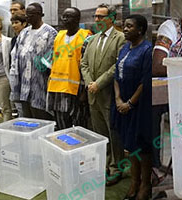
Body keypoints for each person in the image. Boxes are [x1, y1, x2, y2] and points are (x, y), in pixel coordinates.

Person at [79, 3, 126, 186]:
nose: (96, 20)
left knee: (113, 133)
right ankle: (104, 164)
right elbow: (83, 63)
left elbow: (117, 65)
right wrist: (90, 82)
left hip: (109, 94)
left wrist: (99, 83)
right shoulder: (93, 39)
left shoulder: (120, 38)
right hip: (93, 94)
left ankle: (117, 168)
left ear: (111, 19)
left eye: (101, 17)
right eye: (96, 17)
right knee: (100, 133)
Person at [112, 14, 152, 200]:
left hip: (139, 105)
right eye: (124, 26)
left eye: (129, 26)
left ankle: (145, 184)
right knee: (129, 146)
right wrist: (119, 99)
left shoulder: (146, 50)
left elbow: (145, 81)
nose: (125, 29)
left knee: (142, 147)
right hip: (122, 104)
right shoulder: (124, 48)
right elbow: (116, 75)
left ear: (141, 30)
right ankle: (134, 182)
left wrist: (130, 103)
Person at [10, 3, 56, 120]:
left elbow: (51, 59)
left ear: (40, 15)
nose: (28, 17)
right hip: (23, 86)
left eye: (31, 15)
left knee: (41, 120)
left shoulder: (50, 32)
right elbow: (16, 54)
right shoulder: (24, 33)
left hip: (40, 85)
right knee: (27, 120)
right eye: (27, 15)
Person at [47, 7, 91, 129]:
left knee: (78, 124)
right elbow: (52, 61)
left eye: (69, 17)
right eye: (63, 16)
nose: (65, 19)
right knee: (61, 123)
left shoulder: (86, 37)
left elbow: (86, 66)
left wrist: (84, 91)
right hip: (57, 88)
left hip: (76, 89)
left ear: (78, 19)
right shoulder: (58, 36)